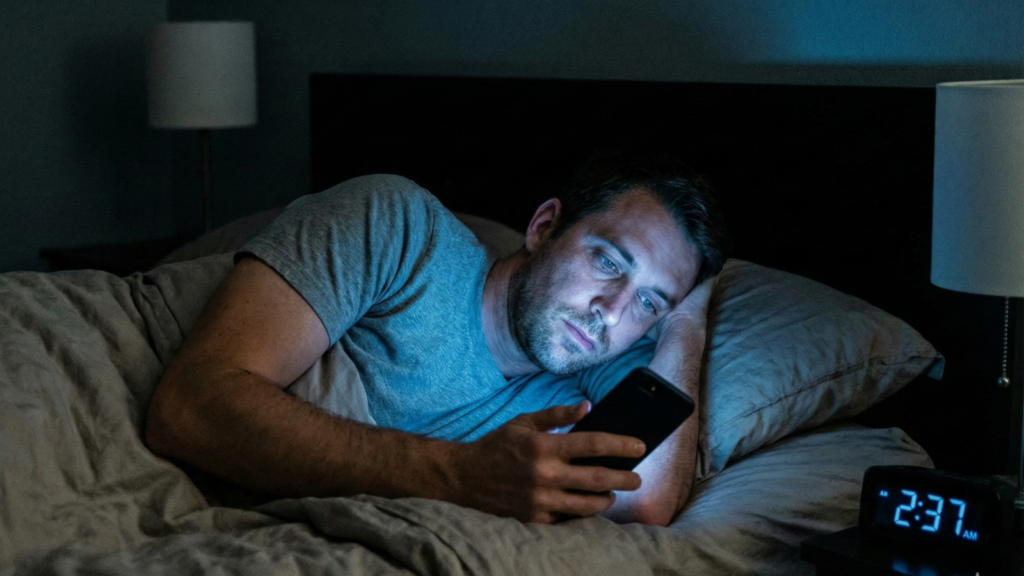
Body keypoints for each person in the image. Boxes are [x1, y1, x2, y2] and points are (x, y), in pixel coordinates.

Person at [145, 151, 730, 526]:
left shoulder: (606, 366)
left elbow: (644, 503)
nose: (610, 310)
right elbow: (192, 406)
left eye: (649, 299)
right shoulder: (399, 227)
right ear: (544, 227)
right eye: (606, 261)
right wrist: (460, 475)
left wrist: (686, 327)